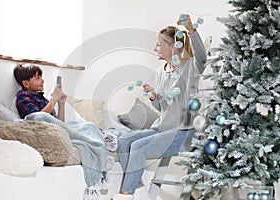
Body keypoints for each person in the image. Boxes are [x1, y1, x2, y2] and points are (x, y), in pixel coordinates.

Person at [112, 13, 207, 200]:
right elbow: (163, 108)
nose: (155, 48)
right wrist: (155, 98)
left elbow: (202, 59)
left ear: (172, 46)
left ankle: (125, 195)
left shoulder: (189, 68)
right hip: (162, 129)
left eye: (159, 45)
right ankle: (139, 191)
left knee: (138, 147)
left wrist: (191, 30)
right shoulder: (161, 72)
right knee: (123, 141)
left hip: (184, 132)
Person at [13, 63, 109, 200]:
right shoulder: (22, 96)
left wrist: (61, 104)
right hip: (41, 129)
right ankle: (100, 139)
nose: (42, 80)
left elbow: (58, 121)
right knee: (46, 117)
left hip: (54, 128)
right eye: (37, 78)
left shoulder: (41, 98)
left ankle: (100, 137)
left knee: (88, 126)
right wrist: (53, 100)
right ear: (26, 83)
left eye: (41, 77)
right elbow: (37, 117)